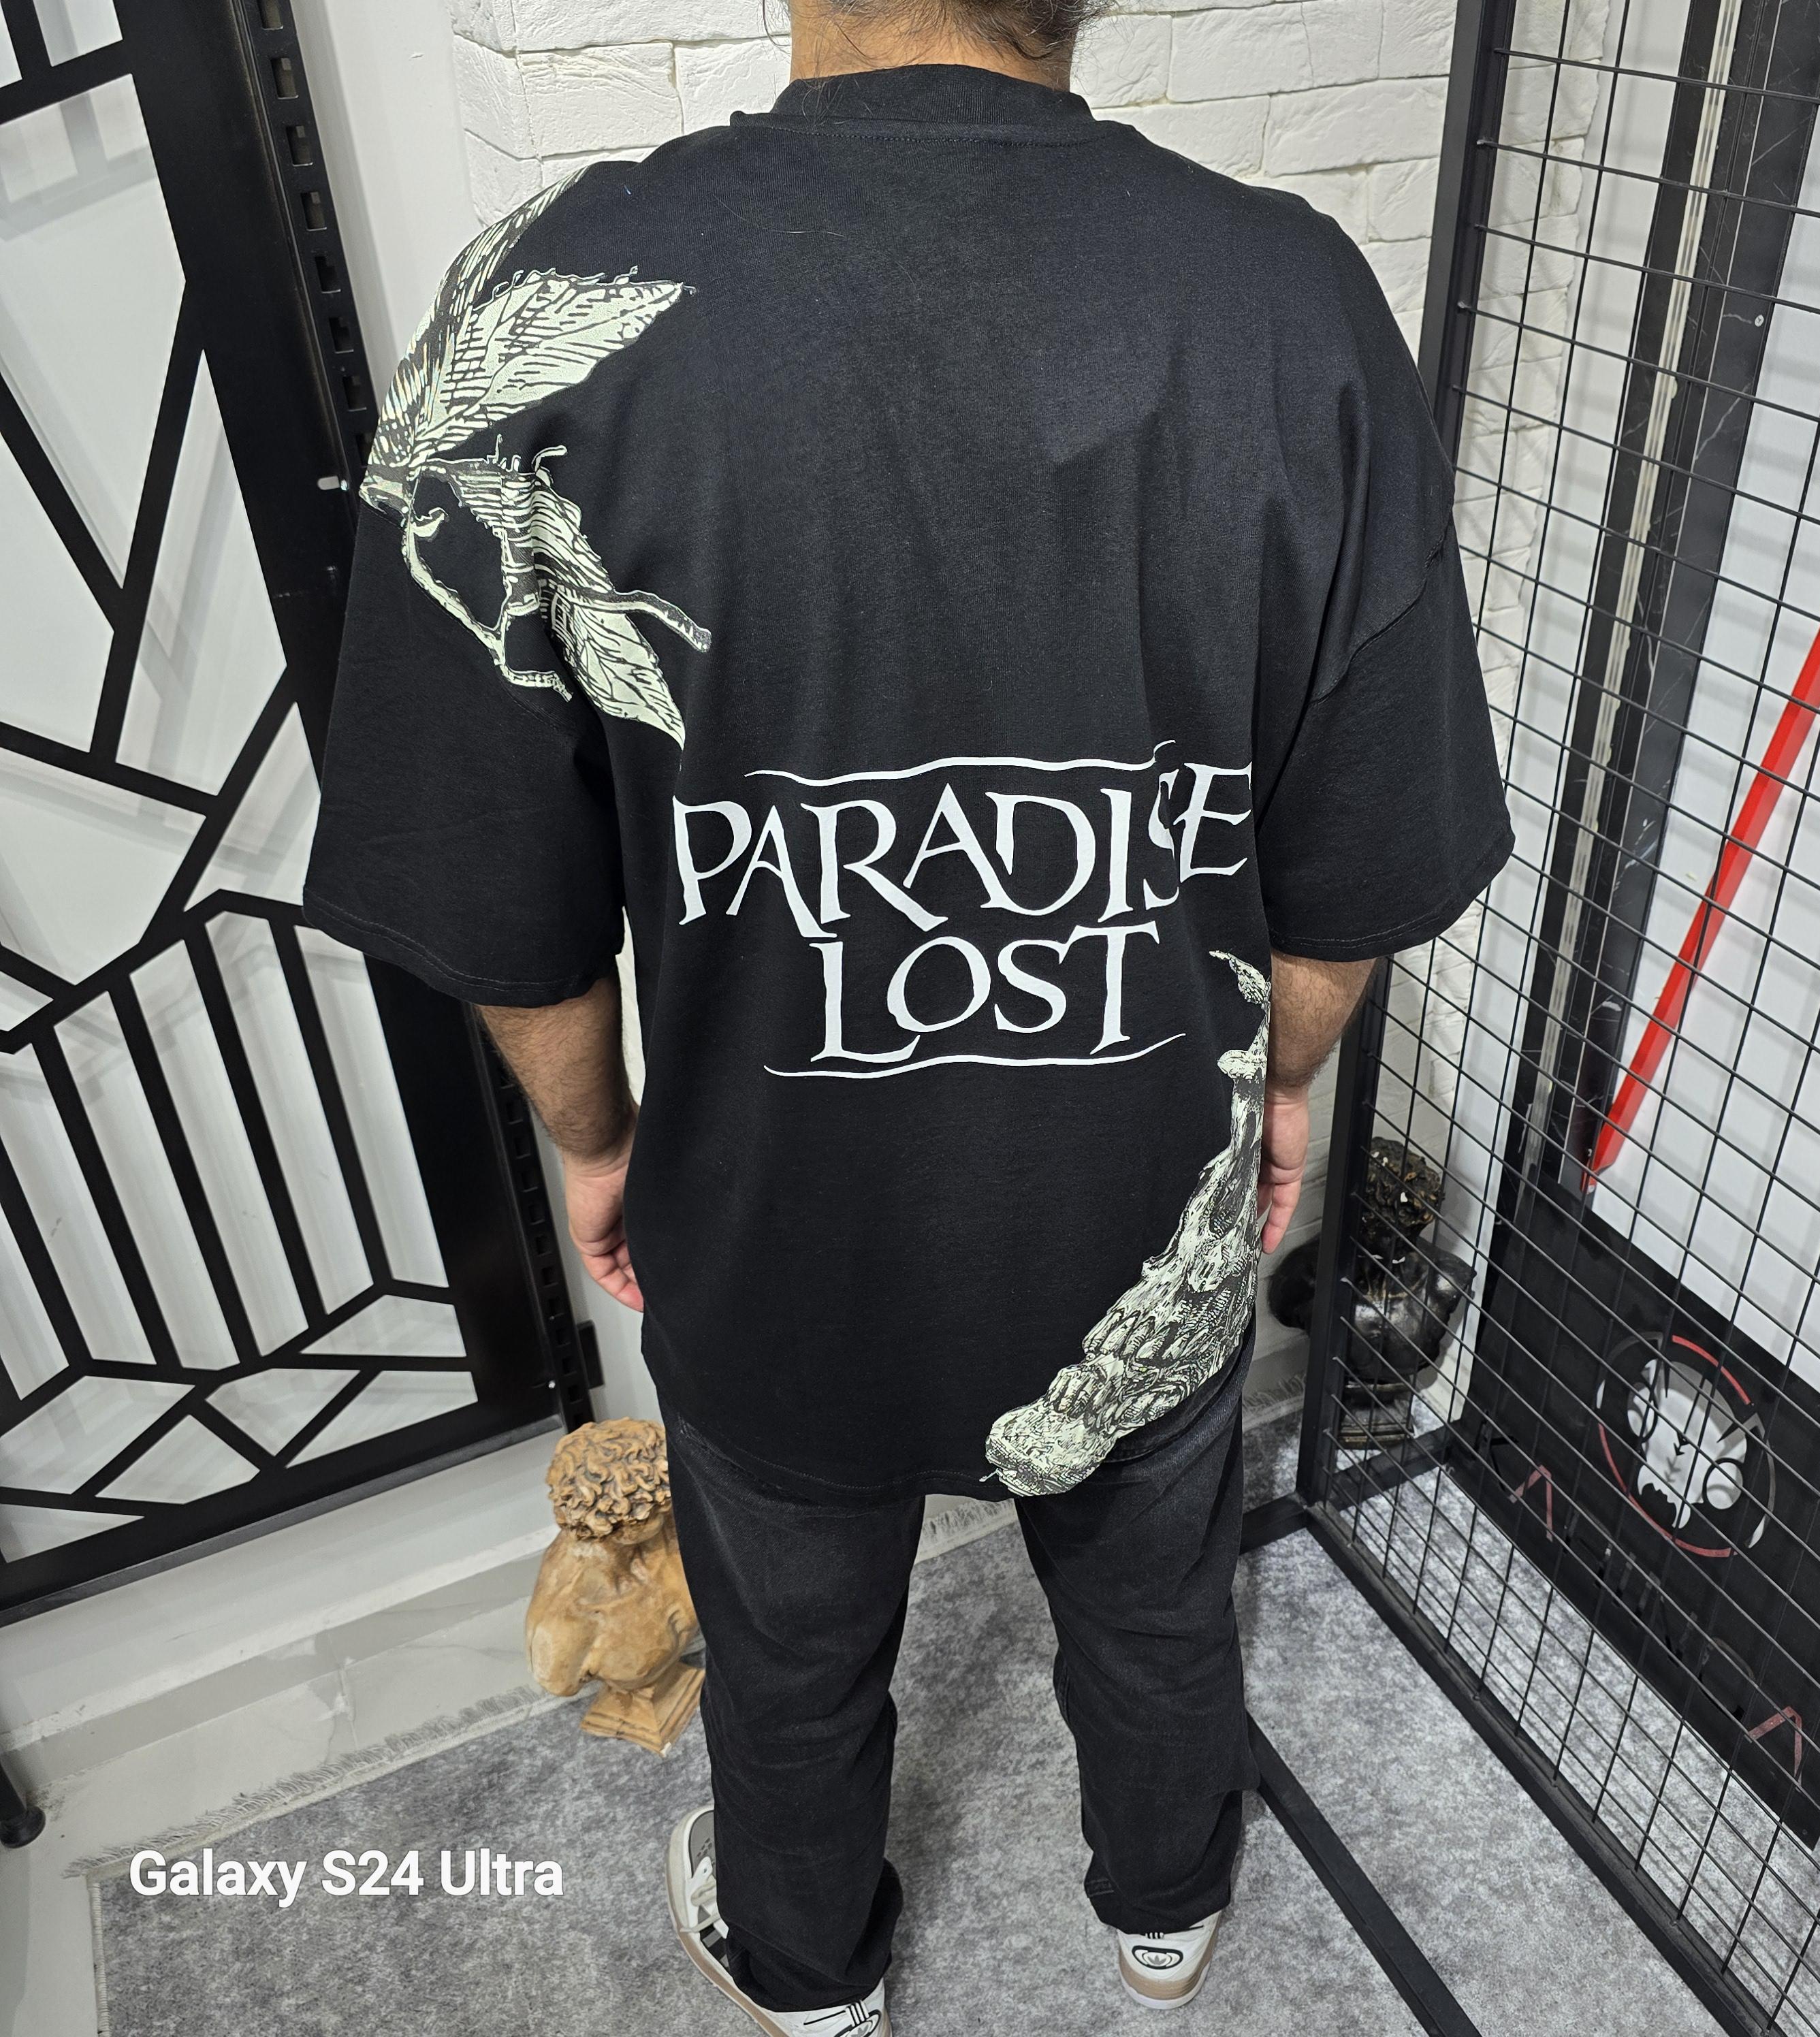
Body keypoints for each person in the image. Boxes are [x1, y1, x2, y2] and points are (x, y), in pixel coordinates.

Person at [304, 0, 1512, 2020]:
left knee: (789, 1650)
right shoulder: (1293, 303)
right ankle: (1165, 1906)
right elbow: (1358, 855)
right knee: (1154, 1596)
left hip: (770, 1214)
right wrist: (1285, 1092)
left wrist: (600, 1141)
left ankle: (808, 1970)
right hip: (1143, 1193)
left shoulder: (556, 299)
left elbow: (498, 899)